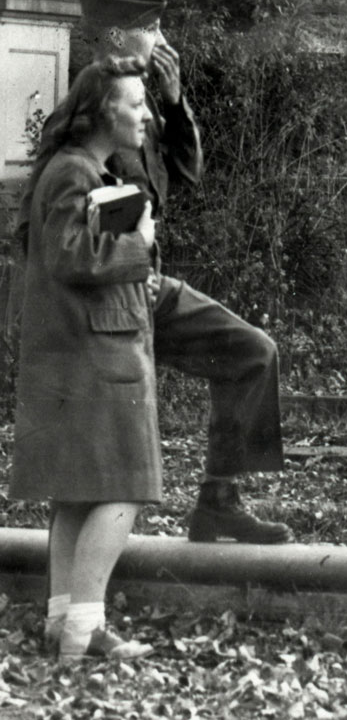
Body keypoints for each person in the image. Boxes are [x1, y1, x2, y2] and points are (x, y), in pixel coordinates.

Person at [77, 0, 291, 545]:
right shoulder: (93, 106)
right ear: (118, 33)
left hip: (145, 288)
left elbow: (188, 171)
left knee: (251, 353)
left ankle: (219, 500)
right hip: (103, 304)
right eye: (152, 28)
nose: (162, 38)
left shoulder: (137, 100)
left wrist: (174, 102)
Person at [12, 64, 159, 662]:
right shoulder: (75, 171)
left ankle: (62, 624)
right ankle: (85, 629)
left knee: (75, 492)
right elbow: (74, 257)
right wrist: (139, 246)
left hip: (76, 348)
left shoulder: (76, 169)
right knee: (124, 486)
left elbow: (66, 259)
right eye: (138, 104)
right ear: (105, 113)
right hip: (97, 354)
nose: (147, 114)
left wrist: (133, 277)